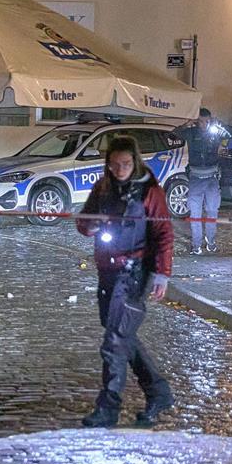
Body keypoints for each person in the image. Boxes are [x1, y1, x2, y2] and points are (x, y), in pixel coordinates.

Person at [76, 135, 174, 429]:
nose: (121, 169)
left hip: (134, 273)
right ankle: (158, 391)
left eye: (126, 164)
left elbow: (164, 234)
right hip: (107, 270)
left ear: (135, 162)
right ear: (107, 164)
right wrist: (91, 225)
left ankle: (108, 407)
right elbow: (83, 222)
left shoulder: (150, 192)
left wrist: (162, 274)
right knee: (120, 334)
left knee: (115, 341)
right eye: (115, 164)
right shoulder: (102, 188)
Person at [176, 108, 223, 255]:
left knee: (212, 212)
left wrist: (218, 124)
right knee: (195, 214)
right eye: (201, 121)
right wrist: (187, 123)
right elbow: (173, 134)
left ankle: (211, 242)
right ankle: (196, 245)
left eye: (207, 121)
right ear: (197, 121)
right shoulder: (191, 132)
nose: (204, 125)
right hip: (196, 178)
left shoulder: (215, 133)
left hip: (212, 179)